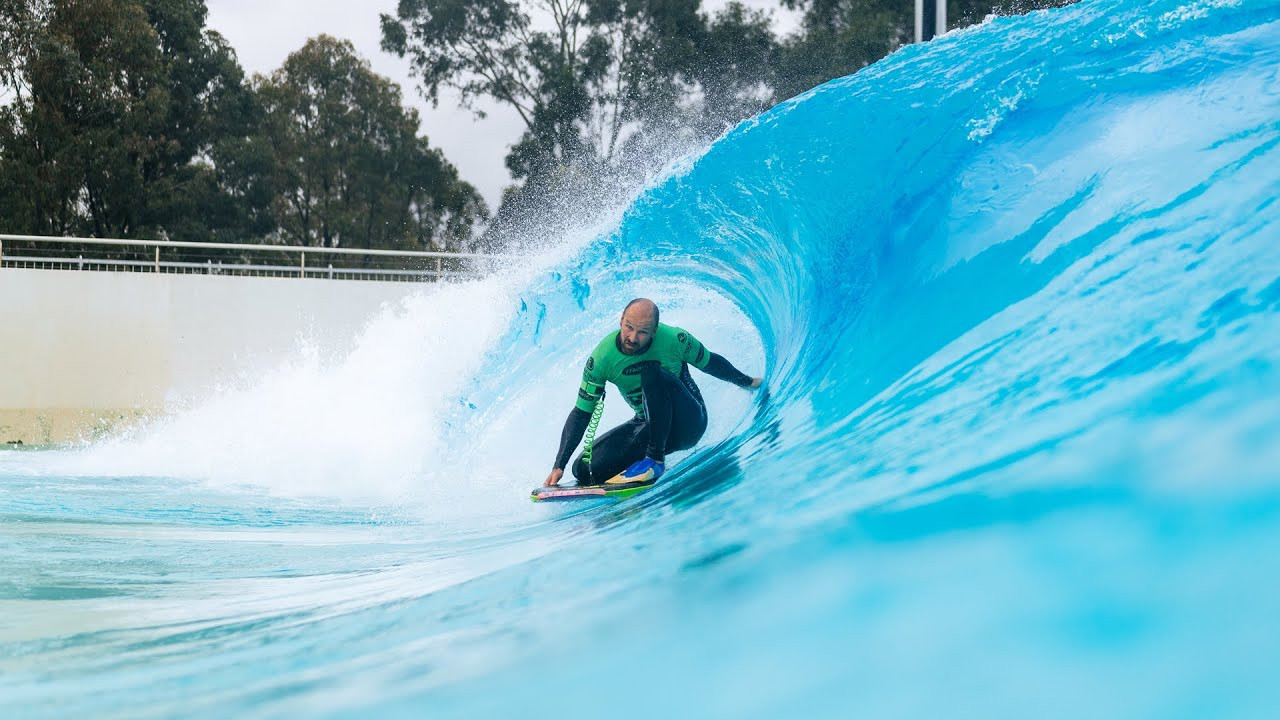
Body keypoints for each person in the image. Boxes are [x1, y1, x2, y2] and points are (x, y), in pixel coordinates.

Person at [544, 298, 762, 490]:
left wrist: (747, 382)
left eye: (642, 332)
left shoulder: (674, 339)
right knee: (583, 470)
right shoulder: (602, 359)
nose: (632, 337)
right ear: (621, 320)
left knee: (651, 371)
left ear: (654, 331)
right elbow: (582, 412)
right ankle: (637, 469)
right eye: (628, 327)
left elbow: (710, 362)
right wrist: (559, 464)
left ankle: (654, 461)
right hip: (649, 426)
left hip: (688, 424)